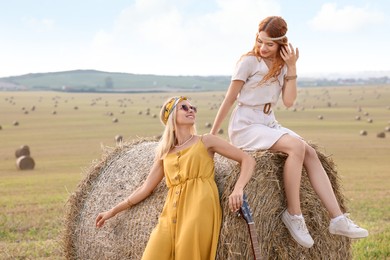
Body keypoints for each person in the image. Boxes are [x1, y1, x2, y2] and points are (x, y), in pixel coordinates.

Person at [210, 16, 368, 248]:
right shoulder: (248, 62)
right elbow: (229, 98)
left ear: (281, 44)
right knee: (295, 146)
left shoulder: (283, 65)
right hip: (246, 124)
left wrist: (292, 67)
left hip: (268, 121)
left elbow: (289, 101)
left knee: (309, 152)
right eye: (260, 41)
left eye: (269, 44)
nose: (263, 48)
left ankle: (337, 218)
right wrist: (213, 134)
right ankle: (294, 215)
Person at [95, 96, 255, 259]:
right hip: (169, 212)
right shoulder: (165, 153)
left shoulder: (206, 141)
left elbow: (247, 159)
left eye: (193, 108)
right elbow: (145, 188)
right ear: (172, 116)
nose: (191, 110)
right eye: (184, 108)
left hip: (199, 207)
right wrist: (112, 211)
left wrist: (238, 188)